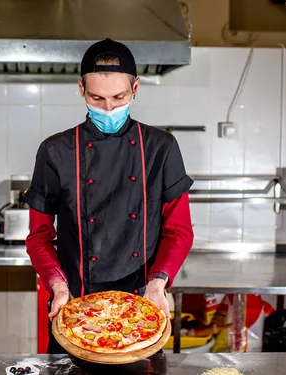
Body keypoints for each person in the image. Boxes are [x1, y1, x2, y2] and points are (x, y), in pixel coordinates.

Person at [25, 38, 194, 354]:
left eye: (119, 97)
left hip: (141, 312)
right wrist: (58, 286)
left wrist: (158, 284)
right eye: (96, 97)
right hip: (74, 308)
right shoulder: (56, 151)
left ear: (136, 89)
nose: (108, 108)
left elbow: (179, 231)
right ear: (81, 90)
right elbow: (39, 236)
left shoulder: (161, 148)